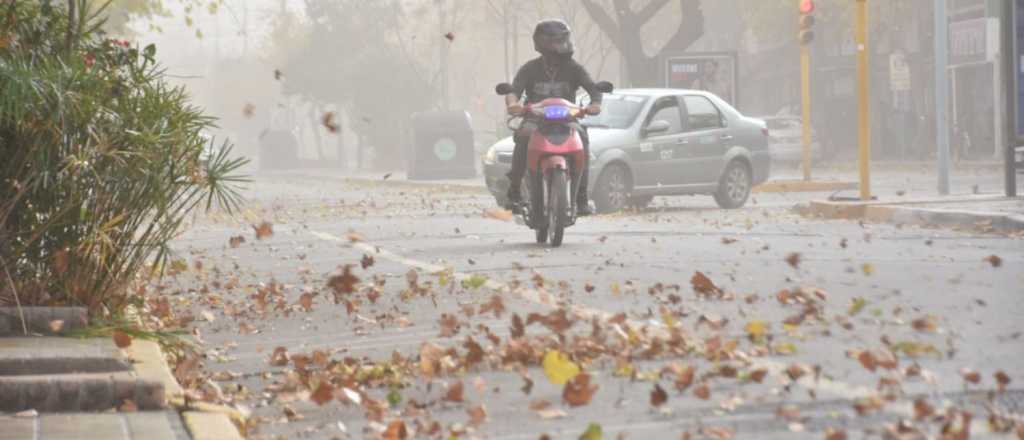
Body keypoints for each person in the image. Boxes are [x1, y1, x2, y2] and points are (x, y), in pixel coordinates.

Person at [503, 19, 603, 216]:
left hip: (567, 120)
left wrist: (595, 104)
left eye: (565, 40)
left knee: (582, 138)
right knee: (523, 137)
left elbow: (594, 89)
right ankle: (514, 192)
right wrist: (513, 104)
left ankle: (581, 198)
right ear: (543, 43)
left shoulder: (574, 68)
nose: (564, 45)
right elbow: (514, 91)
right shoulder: (529, 69)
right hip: (535, 120)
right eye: (559, 41)